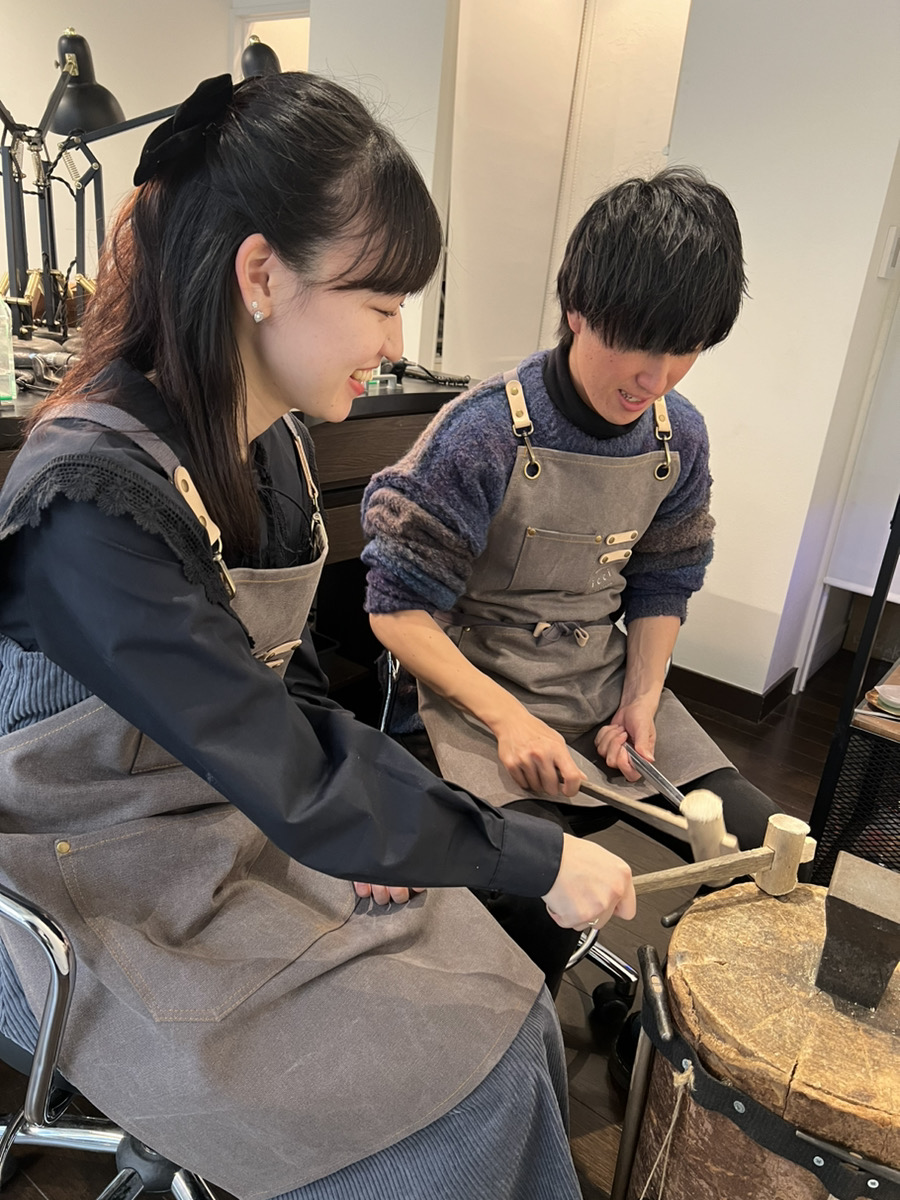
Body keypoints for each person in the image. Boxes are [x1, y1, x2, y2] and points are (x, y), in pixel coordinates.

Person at [0, 73, 637, 1200]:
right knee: (456, 1111)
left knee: (506, 1003)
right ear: (261, 276)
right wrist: (532, 855)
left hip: (226, 822)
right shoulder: (92, 505)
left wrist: (381, 835)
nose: (396, 340)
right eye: (381, 303)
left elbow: (285, 698)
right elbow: (283, 763)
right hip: (90, 884)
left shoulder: (271, 453)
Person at [362, 166, 781, 996]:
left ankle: (676, 1037)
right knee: (535, 906)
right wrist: (511, 721)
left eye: (684, 349)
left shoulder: (678, 437)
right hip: (472, 701)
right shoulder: (482, 432)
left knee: (760, 853)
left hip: (598, 688)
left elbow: (665, 578)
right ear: (578, 309)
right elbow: (395, 609)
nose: (656, 377)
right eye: (637, 343)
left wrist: (641, 700)